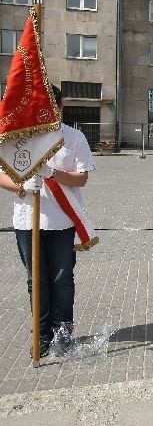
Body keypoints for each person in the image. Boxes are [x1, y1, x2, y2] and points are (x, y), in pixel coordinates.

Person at [0, 86, 96, 357]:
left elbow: (82, 178)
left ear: (60, 106)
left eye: (52, 104)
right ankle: (40, 335)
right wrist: (21, 186)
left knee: (62, 279)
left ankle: (62, 332)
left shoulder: (74, 137)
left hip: (62, 221)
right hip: (26, 221)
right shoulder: (19, 137)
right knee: (36, 280)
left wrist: (52, 173)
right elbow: (0, 174)